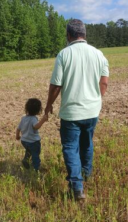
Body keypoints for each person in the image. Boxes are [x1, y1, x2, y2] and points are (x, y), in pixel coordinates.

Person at [45, 19, 109, 200]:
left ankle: (77, 187)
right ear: (84, 34)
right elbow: (104, 82)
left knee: (71, 147)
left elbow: (56, 85)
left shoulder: (64, 55)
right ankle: (86, 175)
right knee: (87, 143)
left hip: (71, 113)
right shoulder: (99, 55)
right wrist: (96, 100)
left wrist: (49, 105)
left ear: (69, 35)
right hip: (92, 111)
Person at [16, 98, 48, 171]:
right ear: (38, 110)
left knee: (29, 150)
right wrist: (43, 120)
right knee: (35, 154)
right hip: (33, 142)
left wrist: (17, 136)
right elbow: (36, 127)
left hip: (24, 141)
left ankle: (26, 159)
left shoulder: (23, 118)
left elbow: (18, 128)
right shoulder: (34, 119)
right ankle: (36, 168)